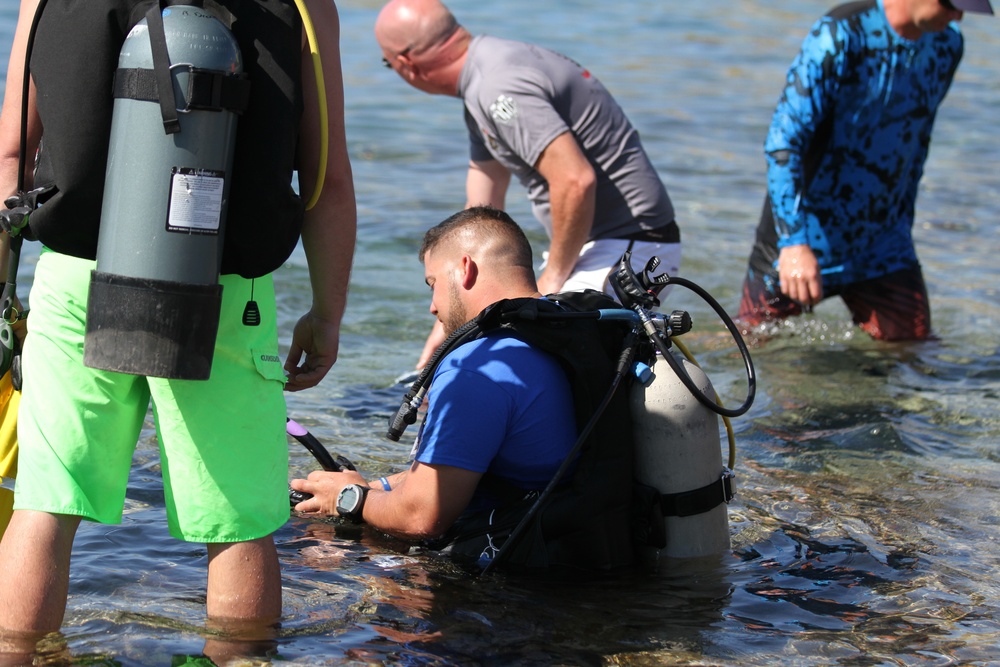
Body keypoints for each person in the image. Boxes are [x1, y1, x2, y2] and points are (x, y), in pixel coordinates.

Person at [0, 0, 356, 657]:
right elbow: (325, 180)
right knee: (238, 524)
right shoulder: (306, 6)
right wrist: (327, 312)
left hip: (78, 275)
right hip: (220, 286)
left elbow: (13, 153)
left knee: (47, 505)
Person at [373, 0, 680, 366]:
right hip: (591, 241)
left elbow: (575, 181)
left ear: (406, 64)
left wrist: (550, 281)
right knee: (479, 342)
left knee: (533, 357)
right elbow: (481, 216)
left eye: (387, 64)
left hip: (630, 243)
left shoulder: (497, 86)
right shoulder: (482, 80)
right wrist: (449, 317)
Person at [291, 206, 579, 550]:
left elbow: (421, 518)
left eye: (433, 284)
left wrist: (347, 497)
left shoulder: (478, 367)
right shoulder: (564, 329)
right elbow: (454, 471)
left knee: (303, 549)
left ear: (465, 268)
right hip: (571, 534)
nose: (432, 306)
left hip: (514, 566)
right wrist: (372, 487)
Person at [737, 0, 994, 341]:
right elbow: (783, 143)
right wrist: (794, 244)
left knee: (915, 356)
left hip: (884, 245)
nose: (959, 16)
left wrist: (903, 226)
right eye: (951, 5)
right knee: (749, 348)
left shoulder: (948, 45)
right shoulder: (841, 34)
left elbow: (917, 142)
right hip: (802, 238)